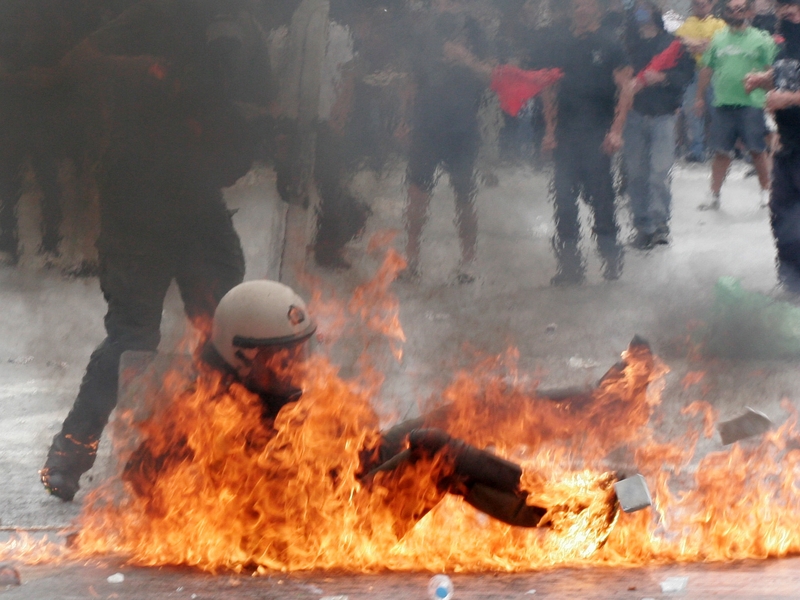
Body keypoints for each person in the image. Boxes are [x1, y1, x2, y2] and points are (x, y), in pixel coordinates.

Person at [124, 279, 625, 530]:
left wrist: (352, 443)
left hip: (337, 495)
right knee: (435, 451)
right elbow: (143, 477)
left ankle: (601, 404)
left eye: (302, 351)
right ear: (242, 354)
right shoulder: (202, 410)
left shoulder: (262, 386)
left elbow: (326, 455)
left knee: (456, 414)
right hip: (318, 530)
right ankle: (571, 515)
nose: (298, 365)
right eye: (284, 356)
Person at [40, 0, 276, 502]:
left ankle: (233, 452)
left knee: (227, 332)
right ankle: (70, 452)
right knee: (132, 334)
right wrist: (148, 73)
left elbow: (262, 102)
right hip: (136, 203)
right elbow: (77, 61)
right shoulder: (156, 15)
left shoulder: (244, 29)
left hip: (200, 206)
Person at [540, 0, 635, 285]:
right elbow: (548, 88)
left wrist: (616, 131)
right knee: (564, 200)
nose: (581, 9)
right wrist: (549, 130)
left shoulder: (611, 44)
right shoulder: (560, 43)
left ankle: (610, 257)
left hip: (598, 133)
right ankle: (570, 267)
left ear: (599, 9)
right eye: (577, 4)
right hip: (566, 133)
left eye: (587, 4)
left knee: (601, 198)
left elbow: (626, 88)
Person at [402, 0, 495, 284]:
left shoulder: (477, 31)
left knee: (464, 195)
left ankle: (469, 261)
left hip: (462, 125)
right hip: (426, 124)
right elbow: (411, 80)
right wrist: (404, 119)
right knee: (417, 193)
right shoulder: (424, 31)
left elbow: (491, 74)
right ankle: (411, 258)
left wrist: (467, 58)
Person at [623, 1, 695, 249]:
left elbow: (687, 75)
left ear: (655, 11)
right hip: (632, 115)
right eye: (637, 7)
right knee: (635, 174)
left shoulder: (671, 42)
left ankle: (660, 225)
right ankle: (642, 226)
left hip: (663, 116)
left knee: (659, 173)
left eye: (646, 6)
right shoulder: (626, 44)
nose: (642, 12)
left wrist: (663, 78)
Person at [695, 0, 777, 210]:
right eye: (731, 9)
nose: (735, 13)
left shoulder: (760, 39)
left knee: (757, 150)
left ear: (749, 12)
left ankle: (766, 192)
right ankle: (713, 194)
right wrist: (700, 97)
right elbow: (706, 68)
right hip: (723, 104)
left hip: (752, 103)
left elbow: (772, 71)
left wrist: (772, 101)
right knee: (721, 152)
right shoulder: (718, 39)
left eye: (740, 9)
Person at [745, 0, 800, 293]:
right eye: (783, 5)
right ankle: (791, 288)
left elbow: (790, 90)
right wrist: (762, 80)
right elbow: (786, 72)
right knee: (782, 216)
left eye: (794, 4)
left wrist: (789, 99)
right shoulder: (786, 40)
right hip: (789, 146)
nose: (788, 10)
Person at [676, 0, 727, 163]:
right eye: (697, 4)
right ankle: (696, 150)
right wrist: (703, 43)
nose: (701, 7)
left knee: (717, 111)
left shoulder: (719, 24)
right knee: (693, 112)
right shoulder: (687, 24)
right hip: (692, 73)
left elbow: (722, 45)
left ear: (711, 5)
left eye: (704, 4)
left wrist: (695, 43)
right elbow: (680, 42)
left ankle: (720, 148)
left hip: (714, 73)